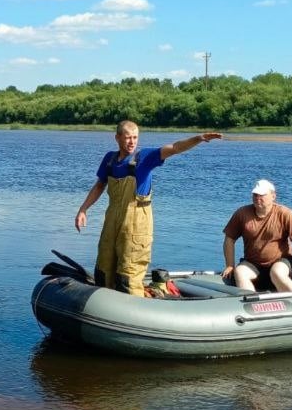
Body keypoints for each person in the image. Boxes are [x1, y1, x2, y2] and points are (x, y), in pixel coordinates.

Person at [75, 121, 222, 296]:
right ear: (117, 138)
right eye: (128, 137)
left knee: (128, 272)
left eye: (135, 137)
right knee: (104, 267)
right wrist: (83, 209)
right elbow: (99, 185)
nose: (132, 141)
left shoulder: (144, 157)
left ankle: (134, 308)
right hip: (112, 221)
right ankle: (103, 303)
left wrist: (198, 138)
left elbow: (174, 148)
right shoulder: (110, 160)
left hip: (136, 223)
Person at [221, 179, 292, 292]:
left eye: (262, 195)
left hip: (281, 262)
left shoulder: (284, 214)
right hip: (253, 264)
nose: (257, 198)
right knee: (239, 272)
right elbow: (229, 240)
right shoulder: (242, 213)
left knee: (277, 272)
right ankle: (252, 303)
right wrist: (230, 265)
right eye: (255, 195)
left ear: (273, 196)